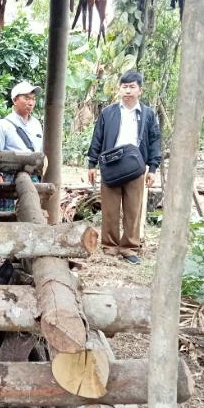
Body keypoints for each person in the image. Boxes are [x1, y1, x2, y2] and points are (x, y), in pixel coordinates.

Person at [87, 70, 161, 264]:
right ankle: (109, 247)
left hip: (136, 166)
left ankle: (129, 248)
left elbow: (154, 141)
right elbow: (97, 138)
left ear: (140, 90)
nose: (128, 91)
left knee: (133, 210)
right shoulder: (108, 112)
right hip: (111, 165)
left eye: (132, 87)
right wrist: (92, 164)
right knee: (110, 209)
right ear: (119, 89)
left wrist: (153, 168)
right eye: (125, 86)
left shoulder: (148, 114)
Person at [0, 81, 44, 212]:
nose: (31, 102)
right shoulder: (2, 125)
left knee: (31, 213)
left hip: (32, 177)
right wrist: (1, 185)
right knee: (6, 216)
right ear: (14, 100)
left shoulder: (36, 124)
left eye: (33, 99)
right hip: (9, 178)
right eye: (26, 98)